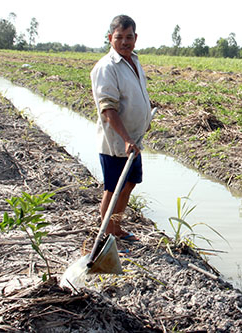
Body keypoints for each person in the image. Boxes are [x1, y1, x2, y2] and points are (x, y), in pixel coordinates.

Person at [90, 15, 151, 241]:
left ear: (135, 38)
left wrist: (145, 116)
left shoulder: (133, 61)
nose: (125, 42)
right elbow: (108, 109)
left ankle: (116, 227)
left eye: (129, 37)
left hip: (134, 138)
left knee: (130, 182)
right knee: (114, 187)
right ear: (110, 38)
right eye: (119, 37)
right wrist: (125, 138)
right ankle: (107, 233)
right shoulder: (107, 67)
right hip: (117, 141)